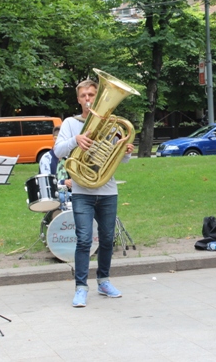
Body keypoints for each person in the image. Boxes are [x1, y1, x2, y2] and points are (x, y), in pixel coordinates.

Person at [53, 79, 134, 308]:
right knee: (85, 239)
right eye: (83, 96)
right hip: (82, 190)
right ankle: (81, 287)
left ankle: (104, 281)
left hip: (107, 190)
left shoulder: (113, 124)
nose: (88, 99)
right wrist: (75, 140)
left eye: (91, 95)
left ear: (97, 97)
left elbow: (123, 159)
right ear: (78, 99)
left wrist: (126, 150)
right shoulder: (70, 123)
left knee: (107, 239)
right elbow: (58, 150)